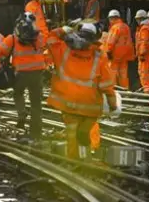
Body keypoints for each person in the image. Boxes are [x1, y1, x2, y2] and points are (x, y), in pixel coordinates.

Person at [46, 22, 118, 160]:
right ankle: (86, 146)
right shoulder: (99, 55)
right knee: (86, 128)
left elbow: (49, 39)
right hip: (89, 105)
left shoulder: (63, 49)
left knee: (71, 134)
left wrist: (63, 29)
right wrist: (112, 103)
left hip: (68, 102)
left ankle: (74, 162)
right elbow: (106, 84)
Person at [0, 12, 46, 140]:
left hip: (20, 73)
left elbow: (2, 50)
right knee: (36, 102)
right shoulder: (39, 37)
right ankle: (36, 131)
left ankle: (22, 114)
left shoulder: (13, 38)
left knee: (18, 93)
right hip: (37, 73)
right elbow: (44, 45)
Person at [104, 9, 134, 89]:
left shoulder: (115, 28)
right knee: (123, 75)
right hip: (125, 56)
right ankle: (125, 90)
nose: (109, 21)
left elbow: (111, 41)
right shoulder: (126, 26)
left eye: (110, 19)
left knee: (112, 74)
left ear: (113, 18)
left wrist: (108, 51)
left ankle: (112, 90)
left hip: (115, 56)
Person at [134, 9, 149, 92]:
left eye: (137, 19)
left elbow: (144, 42)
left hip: (145, 56)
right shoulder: (146, 27)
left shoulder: (144, 28)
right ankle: (147, 91)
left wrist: (142, 53)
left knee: (145, 75)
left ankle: (147, 93)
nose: (137, 21)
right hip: (148, 55)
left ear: (141, 19)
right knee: (146, 75)